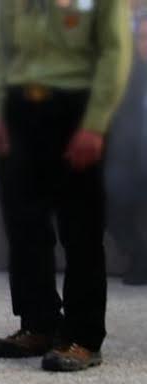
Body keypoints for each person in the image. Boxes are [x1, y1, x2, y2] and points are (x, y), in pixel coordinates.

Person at [0, 0, 130, 371]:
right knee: (23, 223)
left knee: (80, 226)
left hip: (75, 109)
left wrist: (95, 123)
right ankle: (39, 323)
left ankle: (83, 337)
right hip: (21, 109)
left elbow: (114, 53)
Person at [105, 18, 147, 286]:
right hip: (132, 161)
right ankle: (140, 255)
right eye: (142, 38)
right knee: (106, 198)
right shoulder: (130, 77)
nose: (146, 44)